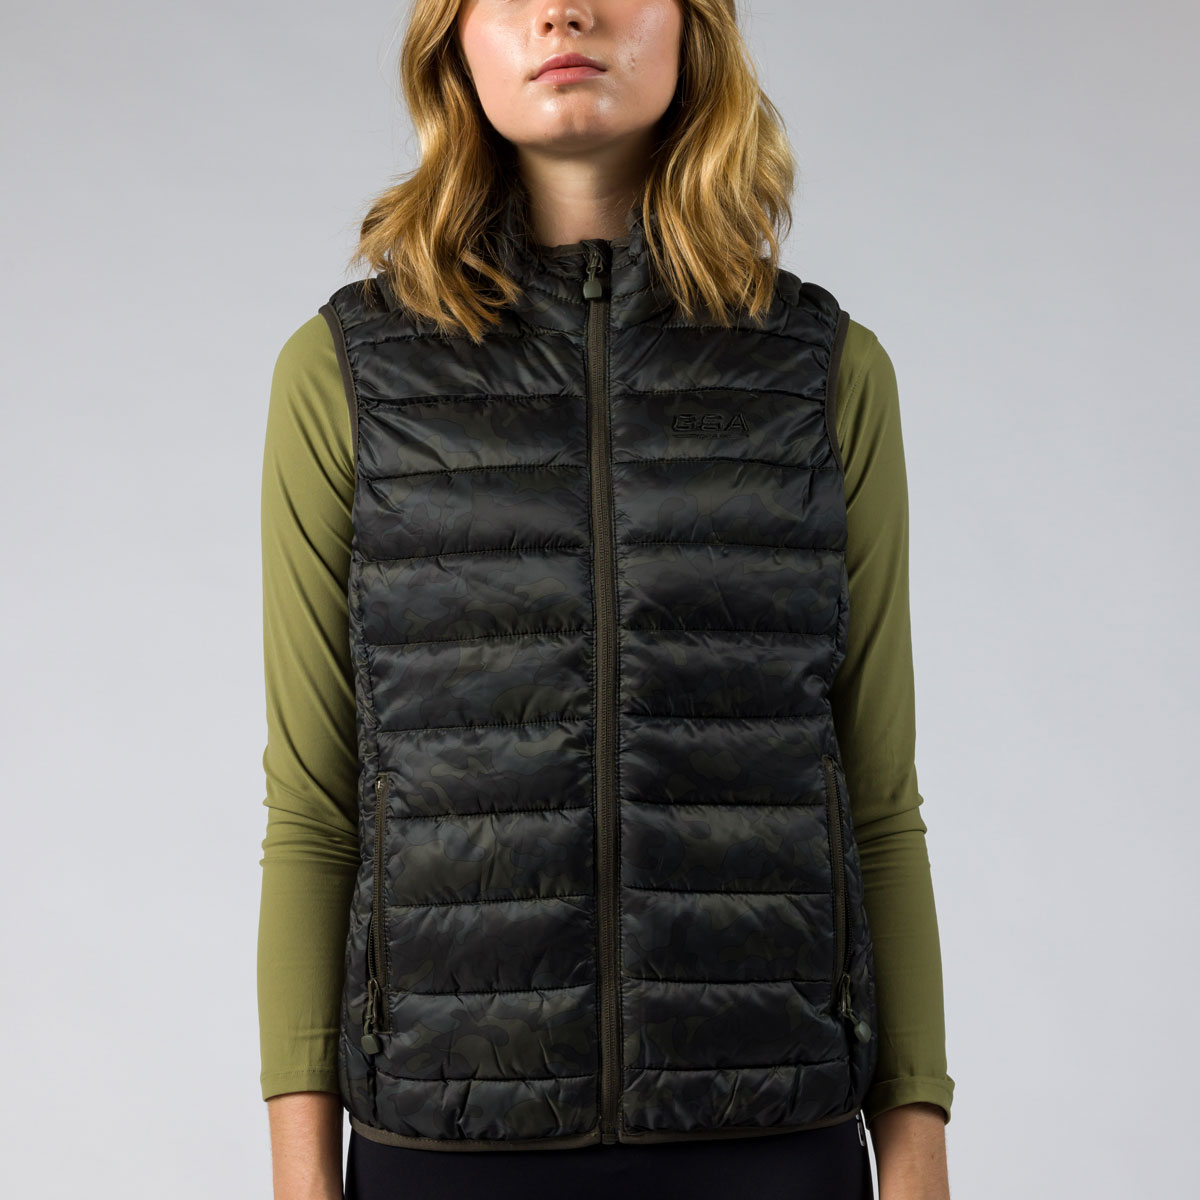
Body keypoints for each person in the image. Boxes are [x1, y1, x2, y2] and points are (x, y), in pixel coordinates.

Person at [256, 2, 954, 1197]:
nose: (564, 11)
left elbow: (876, 801)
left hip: (769, 1143)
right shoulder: (344, 378)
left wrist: (920, 1161)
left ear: (693, 26)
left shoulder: (825, 374)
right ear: (453, 38)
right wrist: (301, 1183)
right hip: (444, 1153)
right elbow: (317, 811)